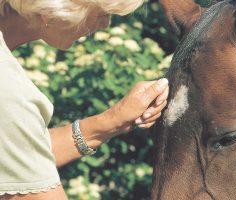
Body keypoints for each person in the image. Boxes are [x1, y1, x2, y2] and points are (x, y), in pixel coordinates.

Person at [0, 0, 169, 199]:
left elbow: (19, 153)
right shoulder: (8, 89)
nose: (105, 24)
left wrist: (113, 121)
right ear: (53, 8)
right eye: (100, 14)